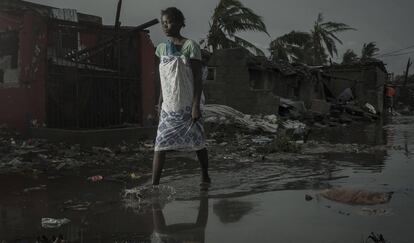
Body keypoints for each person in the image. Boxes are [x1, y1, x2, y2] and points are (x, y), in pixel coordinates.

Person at [152, 7, 211, 187]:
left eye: (168, 22)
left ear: (179, 23)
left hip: (187, 106)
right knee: (160, 145)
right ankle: (155, 185)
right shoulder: (161, 49)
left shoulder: (190, 46)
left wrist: (195, 106)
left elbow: (197, 79)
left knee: (198, 143)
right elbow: (165, 78)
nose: (165, 26)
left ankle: (204, 175)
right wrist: (160, 101)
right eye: (163, 23)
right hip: (169, 107)